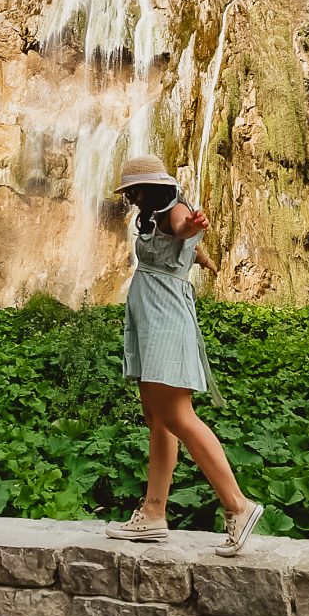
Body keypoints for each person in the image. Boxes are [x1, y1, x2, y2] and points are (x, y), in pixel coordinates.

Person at [105, 154, 263, 556]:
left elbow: (182, 227)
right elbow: (181, 247)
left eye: (135, 190)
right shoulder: (156, 215)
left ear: (151, 188)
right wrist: (202, 255)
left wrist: (192, 228)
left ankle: (238, 507)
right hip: (151, 319)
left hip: (164, 321)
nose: (132, 198)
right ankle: (153, 513)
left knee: (178, 415)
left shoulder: (174, 210)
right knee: (157, 418)